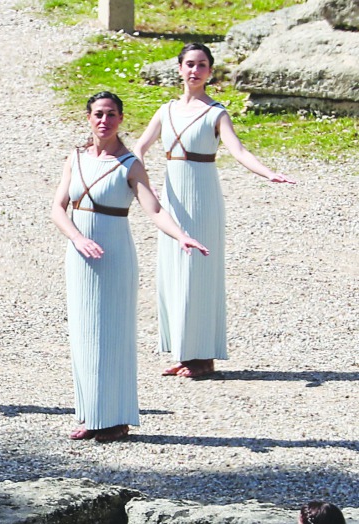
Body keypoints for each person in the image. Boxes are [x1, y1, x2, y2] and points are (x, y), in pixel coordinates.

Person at [51, 91, 209, 444]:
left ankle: (116, 418)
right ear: (88, 117)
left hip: (115, 256)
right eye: (97, 114)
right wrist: (76, 238)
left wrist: (182, 236)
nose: (103, 121)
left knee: (112, 334)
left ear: (121, 118)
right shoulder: (74, 158)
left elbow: (154, 209)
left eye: (110, 114)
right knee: (83, 335)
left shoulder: (129, 163)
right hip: (79, 257)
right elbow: (58, 208)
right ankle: (91, 413)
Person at [134, 43, 295, 380]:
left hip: (203, 199)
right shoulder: (165, 111)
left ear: (209, 71)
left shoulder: (216, 113)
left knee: (199, 274)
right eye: (189, 64)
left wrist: (267, 172)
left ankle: (203, 357)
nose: (195, 71)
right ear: (179, 68)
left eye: (202, 65)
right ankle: (185, 351)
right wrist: (133, 178)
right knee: (174, 273)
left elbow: (238, 150)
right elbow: (139, 148)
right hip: (173, 200)